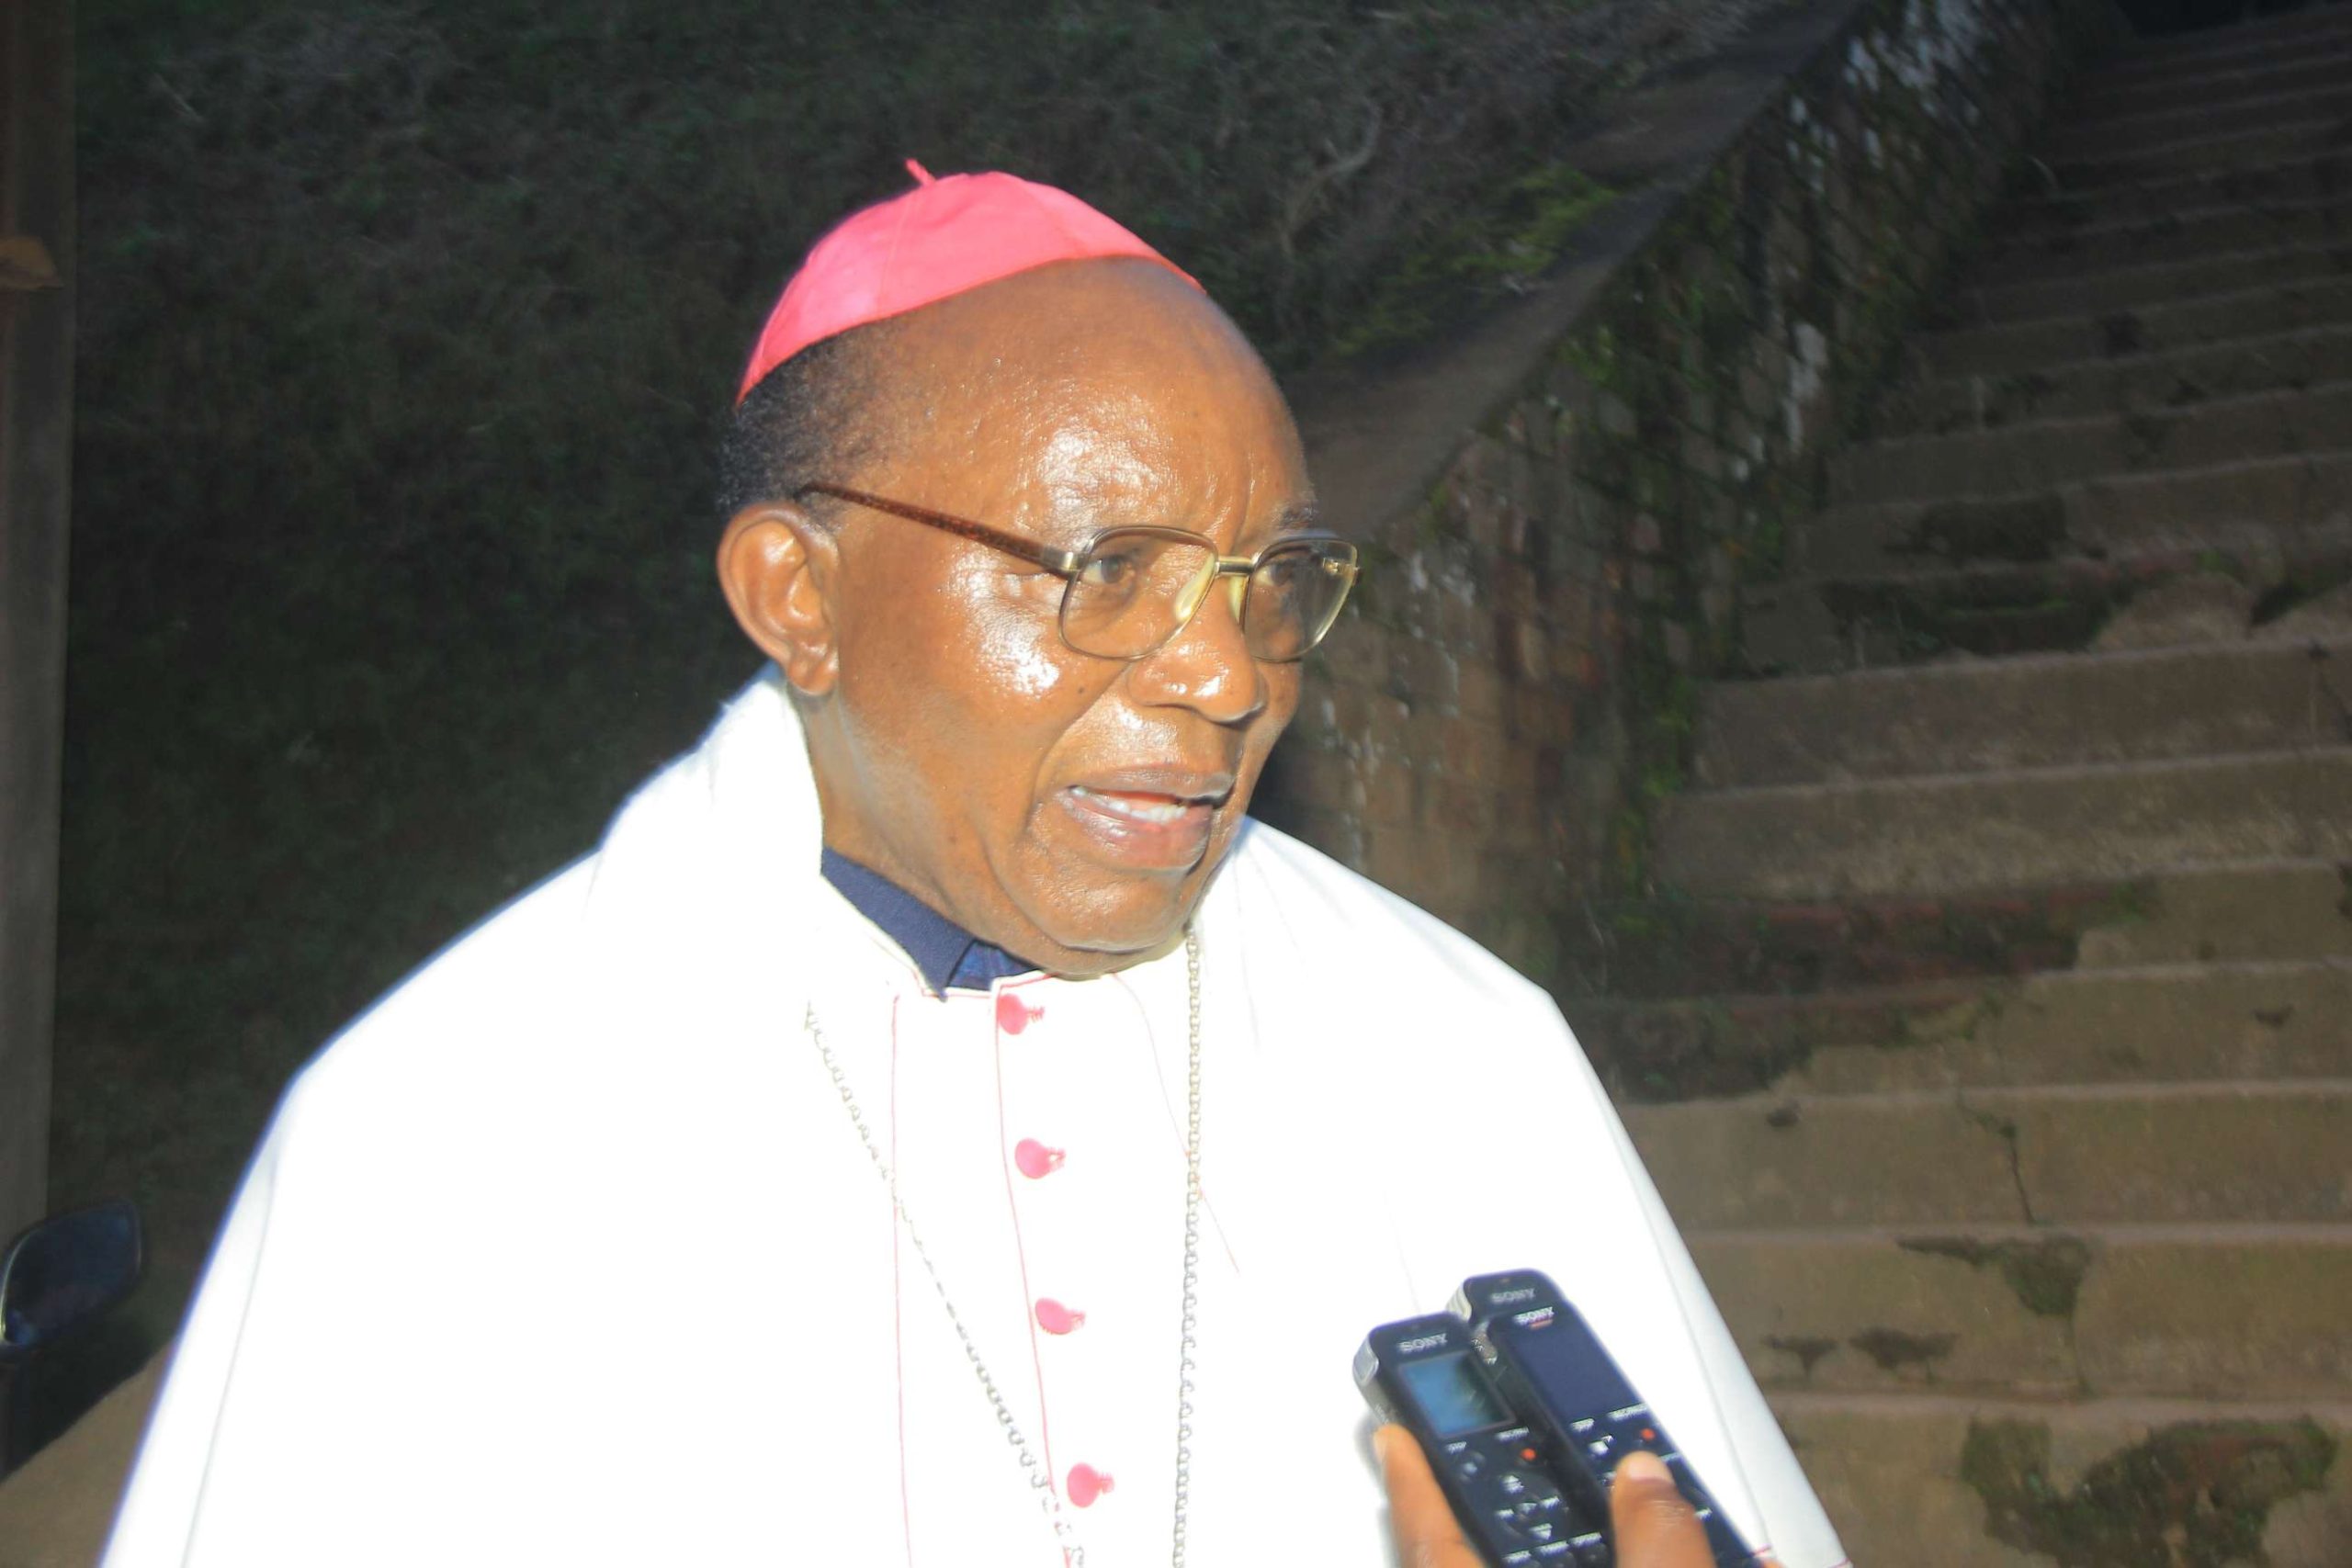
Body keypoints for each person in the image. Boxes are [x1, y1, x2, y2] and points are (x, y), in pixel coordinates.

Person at [101, 165, 1845, 1565]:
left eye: (1271, 582)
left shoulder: (1451, 1044)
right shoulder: (441, 1136)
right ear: (800, 596)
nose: (1230, 675)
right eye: (1107, 571)